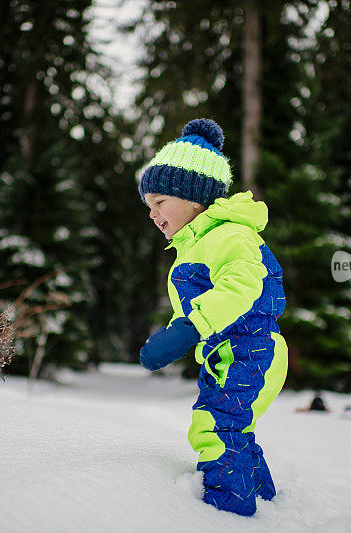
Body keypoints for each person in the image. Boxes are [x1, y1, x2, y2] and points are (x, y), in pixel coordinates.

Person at [137, 118, 288, 517]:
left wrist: (189, 328)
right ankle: (264, 502)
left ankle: (229, 514)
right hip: (230, 353)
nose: (152, 214)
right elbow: (194, 306)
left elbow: (243, 287)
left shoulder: (230, 236)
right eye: (148, 206)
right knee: (233, 427)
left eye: (159, 202)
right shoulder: (195, 246)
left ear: (192, 196)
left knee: (213, 427)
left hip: (249, 349)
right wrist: (175, 332)